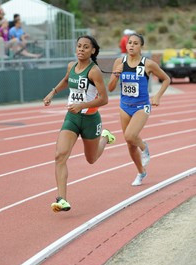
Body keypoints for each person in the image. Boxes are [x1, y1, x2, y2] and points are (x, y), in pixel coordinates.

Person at [43, 35, 116, 212]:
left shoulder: (94, 71)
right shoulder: (72, 66)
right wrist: (52, 92)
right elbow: (67, 80)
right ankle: (62, 199)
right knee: (60, 155)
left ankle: (105, 137)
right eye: (79, 46)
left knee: (91, 159)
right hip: (72, 118)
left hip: (90, 119)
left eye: (85, 47)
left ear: (93, 51)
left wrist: (82, 105)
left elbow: (104, 99)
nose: (81, 50)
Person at [108, 33, 170, 186]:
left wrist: (157, 96)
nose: (131, 46)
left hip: (142, 106)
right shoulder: (119, 62)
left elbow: (166, 79)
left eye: (135, 43)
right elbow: (110, 88)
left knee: (130, 136)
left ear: (141, 46)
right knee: (129, 144)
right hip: (124, 106)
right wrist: (116, 74)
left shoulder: (147, 64)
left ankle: (144, 147)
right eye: (129, 43)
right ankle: (141, 172)